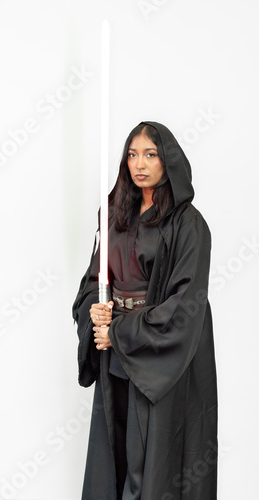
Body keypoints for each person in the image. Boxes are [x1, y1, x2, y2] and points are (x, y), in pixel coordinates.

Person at [72, 121, 218, 500]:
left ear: (167, 161)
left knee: (150, 459)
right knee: (116, 450)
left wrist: (119, 332)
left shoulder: (189, 224)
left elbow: (185, 304)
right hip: (115, 351)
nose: (140, 163)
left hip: (159, 356)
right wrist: (96, 312)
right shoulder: (113, 213)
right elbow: (93, 280)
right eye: (133, 154)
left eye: (150, 154)